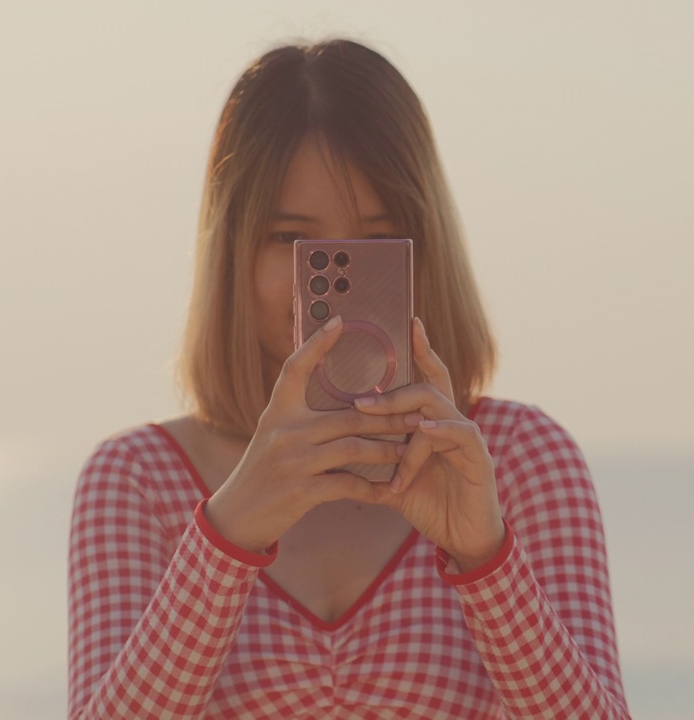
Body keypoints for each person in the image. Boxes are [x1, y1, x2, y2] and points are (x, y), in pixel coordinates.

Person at [67, 39, 630, 719]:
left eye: (377, 240)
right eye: (293, 241)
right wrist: (229, 533)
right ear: (233, 255)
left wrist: (485, 559)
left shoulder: (517, 460)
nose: (335, 285)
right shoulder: (136, 480)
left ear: (426, 248)